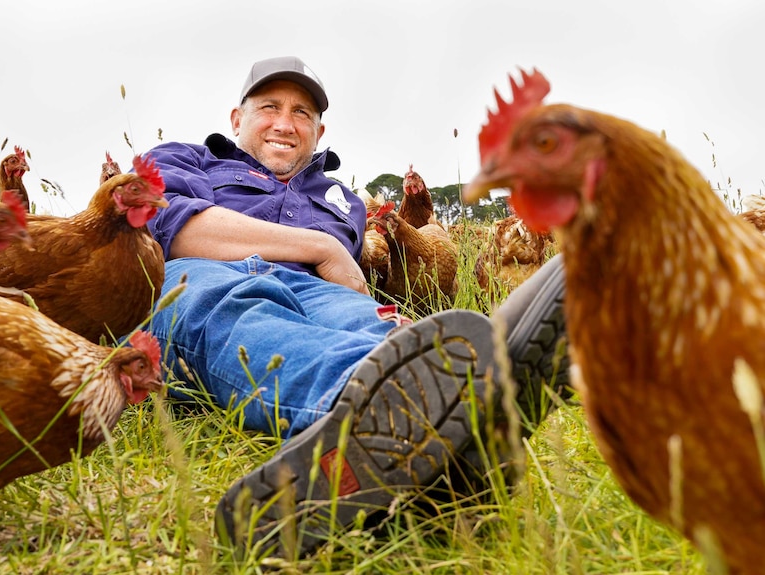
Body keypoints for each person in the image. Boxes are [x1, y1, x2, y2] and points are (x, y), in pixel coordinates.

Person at [143, 56, 568, 558]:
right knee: (239, 310)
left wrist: (378, 312)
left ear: (319, 130)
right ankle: (413, 408)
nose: (285, 122)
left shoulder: (341, 198)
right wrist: (320, 247)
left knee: (363, 322)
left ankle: (436, 411)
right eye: (269, 107)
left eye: (301, 113)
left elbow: (349, 288)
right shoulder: (183, 158)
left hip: (319, 296)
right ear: (237, 119)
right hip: (201, 277)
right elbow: (179, 229)